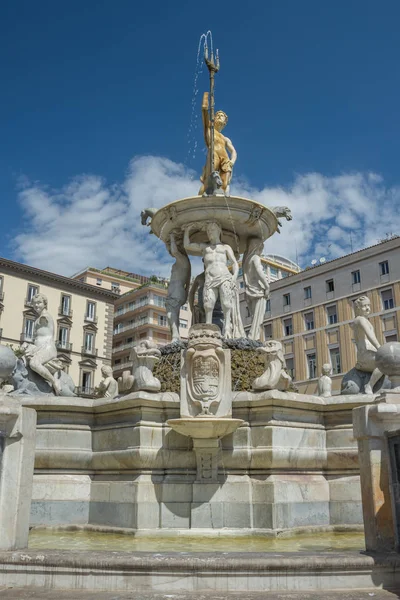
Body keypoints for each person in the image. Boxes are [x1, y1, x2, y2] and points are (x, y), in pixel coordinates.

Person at [183, 221, 244, 338]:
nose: (210, 233)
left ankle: (227, 328)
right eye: (208, 231)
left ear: (219, 231)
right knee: (208, 304)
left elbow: (235, 263)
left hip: (225, 277)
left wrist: (234, 277)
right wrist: (187, 230)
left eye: (212, 230)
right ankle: (209, 329)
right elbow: (187, 245)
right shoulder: (204, 248)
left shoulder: (226, 247)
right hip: (210, 280)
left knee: (226, 303)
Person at [21, 293, 61, 395]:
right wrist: (29, 346)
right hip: (39, 348)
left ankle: (54, 381)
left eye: (39, 303)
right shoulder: (38, 319)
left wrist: (34, 349)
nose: (36, 305)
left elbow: (45, 337)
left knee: (34, 363)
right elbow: (38, 338)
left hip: (48, 348)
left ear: (45, 304)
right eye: (34, 304)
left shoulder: (45, 317)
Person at [199, 92, 237, 196]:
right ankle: (200, 198)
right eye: (218, 115)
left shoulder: (225, 138)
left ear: (225, 123)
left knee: (224, 184)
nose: (219, 117)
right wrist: (206, 99)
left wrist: (232, 162)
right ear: (214, 118)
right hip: (213, 153)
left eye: (222, 116)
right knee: (210, 179)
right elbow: (204, 111)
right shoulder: (209, 128)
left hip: (225, 158)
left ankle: (220, 199)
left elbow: (233, 151)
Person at [353, 295, 383, 394]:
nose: (367, 308)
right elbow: (369, 335)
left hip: (370, 352)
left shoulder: (365, 320)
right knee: (383, 364)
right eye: (364, 306)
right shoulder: (359, 319)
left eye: (368, 305)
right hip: (365, 354)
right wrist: (379, 347)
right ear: (358, 308)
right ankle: (369, 386)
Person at [243, 237, 270, 341]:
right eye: (261, 247)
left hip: (249, 291)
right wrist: (267, 286)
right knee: (258, 318)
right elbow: (259, 272)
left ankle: (254, 336)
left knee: (255, 316)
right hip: (258, 290)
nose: (261, 250)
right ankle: (253, 337)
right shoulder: (255, 258)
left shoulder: (246, 260)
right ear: (257, 247)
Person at [166, 232, 191, 341]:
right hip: (174, 291)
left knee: (172, 314)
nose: (170, 250)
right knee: (170, 315)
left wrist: (171, 236)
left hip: (177, 290)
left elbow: (174, 251)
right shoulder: (181, 261)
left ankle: (176, 336)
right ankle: (175, 335)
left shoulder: (183, 260)